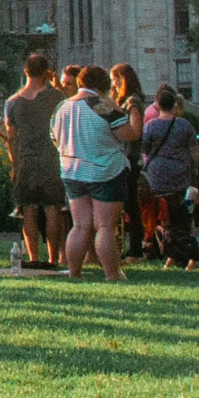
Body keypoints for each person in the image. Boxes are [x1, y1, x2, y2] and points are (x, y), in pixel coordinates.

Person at [54, 66, 138, 281]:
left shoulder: (61, 107)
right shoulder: (102, 106)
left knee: (80, 225)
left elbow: (54, 138)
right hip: (105, 170)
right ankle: (112, 274)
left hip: (72, 170)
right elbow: (129, 135)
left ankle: (74, 272)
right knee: (105, 227)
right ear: (103, 86)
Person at [1, 53, 68, 271]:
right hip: (51, 158)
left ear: (25, 71)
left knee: (28, 209)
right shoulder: (56, 97)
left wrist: (14, 163)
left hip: (26, 159)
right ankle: (53, 258)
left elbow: (11, 136)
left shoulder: (13, 102)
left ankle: (33, 256)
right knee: (52, 208)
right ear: (47, 72)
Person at [139, 85, 199, 269]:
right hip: (180, 175)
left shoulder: (150, 125)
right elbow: (194, 152)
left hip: (157, 177)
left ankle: (168, 250)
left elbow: (144, 151)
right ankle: (183, 252)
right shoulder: (184, 125)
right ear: (174, 104)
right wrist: (194, 172)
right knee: (182, 216)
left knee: (163, 217)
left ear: (158, 105)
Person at [108, 64, 149, 259]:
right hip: (123, 156)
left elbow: (136, 130)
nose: (112, 84)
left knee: (131, 203)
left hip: (130, 157)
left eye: (114, 79)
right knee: (127, 203)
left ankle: (135, 248)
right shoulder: (121, 100)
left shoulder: (132, 101)